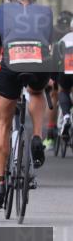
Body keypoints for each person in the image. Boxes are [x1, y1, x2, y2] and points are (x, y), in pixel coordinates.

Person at [0, 0, 54, 209]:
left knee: (2, 123)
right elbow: (50, 47)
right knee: (37, 91)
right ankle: (36, 136)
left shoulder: (1, 10)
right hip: (39, 59)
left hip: (12, 59)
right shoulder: (46, 11)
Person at [44, 10, 73, 148]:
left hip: (64, 68)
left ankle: (63, 119)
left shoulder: (60, 36)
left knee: (60, 92)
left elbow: (54, 57)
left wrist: (53, 79)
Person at [55, 14, 73, 144]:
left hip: (66, 68)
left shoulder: (64, 39)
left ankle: (66, 115)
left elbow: (56, 59)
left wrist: (53, 78)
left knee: (63, 90)